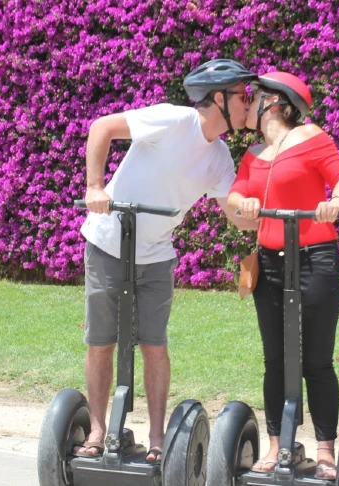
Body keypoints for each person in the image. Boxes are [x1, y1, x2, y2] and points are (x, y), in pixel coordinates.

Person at [75, 59, 258, 463]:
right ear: (218, 99)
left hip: (156, 255)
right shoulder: (173, 120)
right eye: (243, 96)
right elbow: (101, 127)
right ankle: (99, 429)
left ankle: (158, 438)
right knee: (101, 343)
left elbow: (238, 217)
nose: (249, 103)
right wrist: (94, 187)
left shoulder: (221, 158)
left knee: (154, 346)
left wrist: (257, 195)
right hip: (108, 242)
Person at [228, 72, 339, 480]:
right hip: (270, 261)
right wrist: (242, 202)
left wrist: (334, 202)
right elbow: (234, 195)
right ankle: (278, 445)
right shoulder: (252, 154)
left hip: (316, 258)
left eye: (254, 95)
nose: (247, 102)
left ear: (276, 103)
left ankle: (324, 449)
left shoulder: (314, 138)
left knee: (316, 360)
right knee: (276, 360)